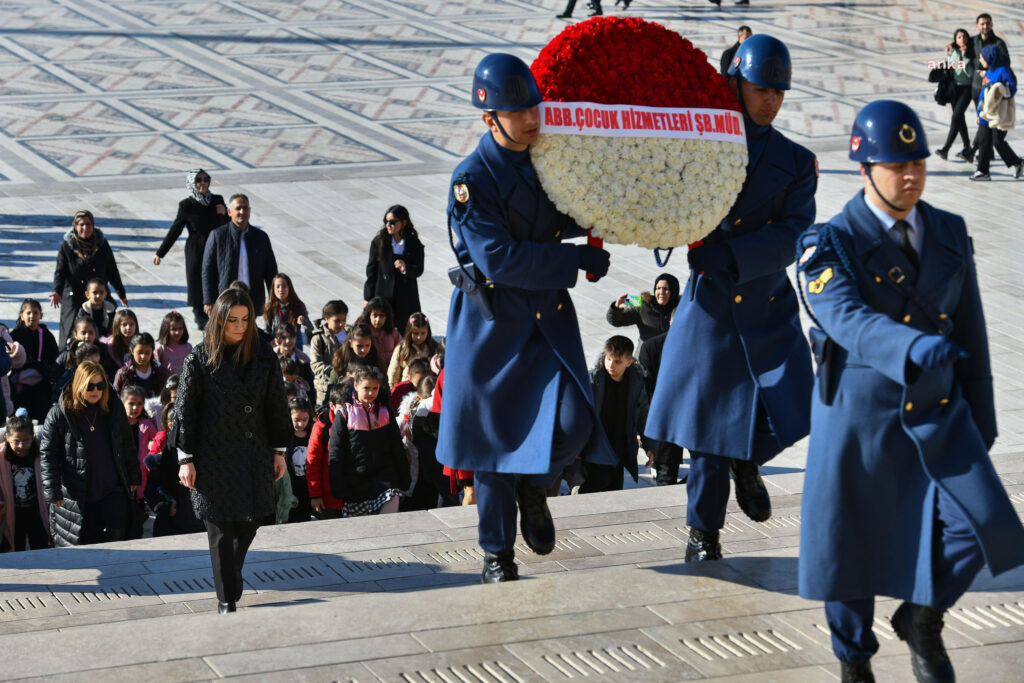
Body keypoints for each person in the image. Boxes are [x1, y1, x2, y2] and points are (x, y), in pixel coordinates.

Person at [795, 99, 1024, 683]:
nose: (912, 174)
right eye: (897, 165)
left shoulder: (948, 229)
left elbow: (969, 324)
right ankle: (854, 660)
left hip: (941, 411)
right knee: (850, 551)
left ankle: (922, 617)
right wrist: (911, 347)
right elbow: (845, 319)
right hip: (859, 416)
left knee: (989, 525)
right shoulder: (828, 243)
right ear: (865, 168)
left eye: (918, 161)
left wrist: (983, 414)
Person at [437, 53, 614, 583]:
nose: (532, 119)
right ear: (489, 118)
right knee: (492, 450)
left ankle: (535, 485)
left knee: (575, 424)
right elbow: (500, 259)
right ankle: (497, 553)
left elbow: (570, 206)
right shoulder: (472, 177)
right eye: (518, 111)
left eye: (534, 107)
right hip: (493, 328)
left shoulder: (546, 159)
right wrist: (572, 259)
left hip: (545, 326)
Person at [646, 34, 817, 562]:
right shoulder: (702, 144)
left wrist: (737, 253)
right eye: (761, 88)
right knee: (708, 433)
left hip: (764, 299)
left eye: (779, 92)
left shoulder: (796, 160)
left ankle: (750, 458)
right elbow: (665, 197)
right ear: (737, 84)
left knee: (798, 407)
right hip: (713, 308)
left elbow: (794, 231)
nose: (770, 100)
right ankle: (704, 535)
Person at [172, 287, 291, 614]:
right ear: (219, 321)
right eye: (232, 320)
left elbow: (277, 406)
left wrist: (278, 451)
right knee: (221, 532)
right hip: (212, 459)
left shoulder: (264, 356)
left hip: (253, 454)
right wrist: (186, 458)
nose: (240, 326)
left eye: (246, 319)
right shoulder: (200, 357)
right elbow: (185, 412)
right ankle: (227, 600)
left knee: (250, 523)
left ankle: (231, 576)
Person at [39, 361, 140, 546]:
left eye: (100, 385)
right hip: (79, 493)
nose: (96, 390)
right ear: (79, 385)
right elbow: (48, 454)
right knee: (86, 545)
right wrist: (52, 490)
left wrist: (134, 476)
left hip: (113, 488)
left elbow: (127, 443)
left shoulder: (114, 409)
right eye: (90, 386)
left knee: (118, 540)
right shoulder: (59, 414)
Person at [328, 366, 409, 517]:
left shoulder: (385, 411)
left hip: (384, 478)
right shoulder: (345, 414)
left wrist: (404, 477)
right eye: (366, 388)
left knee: (392, 498)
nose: (371, 393)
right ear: (356, 386)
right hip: (355, 481)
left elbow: (396, 446)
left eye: (375, 388)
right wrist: (337, 485)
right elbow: (335, 452)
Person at [153, 169, 227, 330]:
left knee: (217, 280)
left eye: (206, 179)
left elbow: (229, 224)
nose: (203, 183)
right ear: (192, 183)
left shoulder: (217, 200)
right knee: (197, 283)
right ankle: (200, 317)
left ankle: (217, 313)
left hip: (215, 247)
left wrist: (225, 213)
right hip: (196, 249)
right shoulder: (186, 205)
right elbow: (175, 230)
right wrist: (160, 253)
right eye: (198, 180)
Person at [581, 336, 652, 493]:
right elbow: (580, 414)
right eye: (608, 359)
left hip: (620, 444)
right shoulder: (593, 380)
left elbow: (643, 414)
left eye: (617, 362)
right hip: (596, 443)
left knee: (614, 488)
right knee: (597, 482)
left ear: (629, 362)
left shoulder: (636, 382)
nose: (611, 365)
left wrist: (649, 445)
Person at [51, 210, 128, 346]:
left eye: (88, 224)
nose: (85, 228)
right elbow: (60, 272)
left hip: (99, 295)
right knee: (70, 332)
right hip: (74, 296)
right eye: (81, 224)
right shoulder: (67, 247)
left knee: (107, 330)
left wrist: (121, 293)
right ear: (75, 226)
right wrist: (57, 291)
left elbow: (112, 270)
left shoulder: (102, 245)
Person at [201, 194, 279, 317]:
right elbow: (207, 269)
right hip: (227, 298)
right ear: (229, 212)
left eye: (245, 208)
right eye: (238, 208)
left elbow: (271, 271)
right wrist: (208, 300)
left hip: (253, 299)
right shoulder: (218, 235)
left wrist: (274, 299)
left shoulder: (260, 237)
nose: (242, 212)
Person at [364, 206, 424, 337]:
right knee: (383, 331)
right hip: (384, 295)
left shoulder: (414, 243)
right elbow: (371, 271)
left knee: (406, 331)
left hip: (406, 296)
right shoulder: (379, 242)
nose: (388, 225)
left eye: (392, 222)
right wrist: (368, 297)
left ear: (403, 223)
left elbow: (419, 269)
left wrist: (406, 268)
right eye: (386, 222)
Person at [971, 45, 1022, 181]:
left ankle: (1017, 162)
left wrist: (999, 91)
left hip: (998, 114)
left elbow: (1011, 88)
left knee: (997, 142)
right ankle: (983, 172)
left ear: (990, 57)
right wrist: (979, 113)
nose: (981, 60)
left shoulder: (1003, 70)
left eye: (982, 57)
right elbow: (984, 93)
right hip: (985, 113)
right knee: (983, 141)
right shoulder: (989, 71)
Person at [0, 414, 50, 551]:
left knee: (41, 546)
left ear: (32, 437)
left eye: (26, 440)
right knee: (15, 547)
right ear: (7, 438)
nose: (21, 445)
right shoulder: (1, 458)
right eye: (16, 441)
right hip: (13, 513)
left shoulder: (41, 454)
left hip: (37, 511)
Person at [967, 13, 1010, 159]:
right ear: (977, 25)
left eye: (987, 23)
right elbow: (961, 51)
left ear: (991, 24)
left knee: (985, 122)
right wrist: (951, 47)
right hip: (976, 86)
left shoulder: (998, 43)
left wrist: (988, 71)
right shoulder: (973, 41)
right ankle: (985, 153)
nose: (985, 26)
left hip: (991, 88)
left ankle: (974, 150)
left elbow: (1006, 62)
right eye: (982, 23)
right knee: (983, 121)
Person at [9, 299, 59, 422]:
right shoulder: (15, 335)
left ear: (40, 316)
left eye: (35, 313)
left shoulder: (46, 335)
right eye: (28, 313)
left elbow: (54, 358)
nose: (32, 316)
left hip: (41, 379)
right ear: (22, 316)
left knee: (41, 410)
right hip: (20, 381)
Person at [120, 384, 156, 540]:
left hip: (141, 475)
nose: (135, 407)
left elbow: (157, 444)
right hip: (122, 474)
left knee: (139, 511)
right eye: (131, 403)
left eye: (139, 403)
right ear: (123, 403)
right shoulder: (118, 424)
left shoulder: (146, 425)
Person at [307, 382, 346, 519]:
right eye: (342, 408)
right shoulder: (321, 428)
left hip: (352, 497)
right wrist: (315, 495)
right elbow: (312, 462)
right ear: (332, 406)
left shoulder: (357, 423)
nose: (346, 413)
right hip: (327, 500)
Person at [605, 273, 680, 344]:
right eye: (658, 288)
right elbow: (616, 321)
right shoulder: (642, 302)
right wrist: (616, 307)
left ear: (674, 291)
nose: (661, 292)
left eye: (666, 289)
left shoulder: (682, 306)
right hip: (645, 354)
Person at [936, 29, 976, 162]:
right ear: (955, 39)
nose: (962, 38)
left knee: (956, 116)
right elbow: (950, 68)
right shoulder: (953, 50)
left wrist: (965, 57)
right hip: (954, 89)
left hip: (967, 89)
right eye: (959, 37)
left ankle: (946, 148)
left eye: (965, 36)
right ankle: (967, 148)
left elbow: (970, 74)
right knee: (960, 119)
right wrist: (948, 56)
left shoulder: (971, 52)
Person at [309, 300, 348, 402]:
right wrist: (334, 372)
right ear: (326, 318)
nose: (341, 324)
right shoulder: (318, 338)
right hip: (325, 389)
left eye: (344, 320)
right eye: (337, 320)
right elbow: (315, 364)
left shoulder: (351, 334)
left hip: (348, 385)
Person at [387, 313, 439, 386]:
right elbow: (393, 373)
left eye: (423, 333)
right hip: (407, 388)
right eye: (415, 333)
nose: (419, 337)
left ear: (428, 332)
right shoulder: (402, 348)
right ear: (409, 332)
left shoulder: (434, 347)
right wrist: (392, 390)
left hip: (429, 387)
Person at [263, 273, 312, 347]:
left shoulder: (298, 305)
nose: (281, 290)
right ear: (273, 289)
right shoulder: (270, 306)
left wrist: (303, 321)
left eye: (284, 286)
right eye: (278, 287)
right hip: (278, 342)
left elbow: (310, 328)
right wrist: (270, 342)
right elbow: (267, 330)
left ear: (289, 288)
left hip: (294, 342)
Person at [113, 333, 167, 398]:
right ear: (132, 350)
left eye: (147, 353)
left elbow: (166, 395)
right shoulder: (123, 374)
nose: (143, 356)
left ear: (152, 351)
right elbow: (115, 397)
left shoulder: (160, 371)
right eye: (139, 352)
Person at [359, 298, 402, 367]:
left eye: (382, 315)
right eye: (375, 315)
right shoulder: (361, 331)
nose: (378, 320)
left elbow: (402, 349)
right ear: (369, 315)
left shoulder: (393, 332)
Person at [154, 311, 192, 375]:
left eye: (180, 328)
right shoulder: (160, 350)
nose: (177, 332)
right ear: (166, 329)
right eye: (174, 329)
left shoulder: (188, 347)